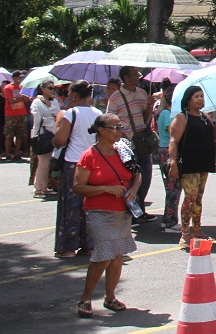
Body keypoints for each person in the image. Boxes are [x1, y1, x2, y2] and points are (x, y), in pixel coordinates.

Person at [73, 114, 141, 318]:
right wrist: (105, 188)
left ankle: (110, 297)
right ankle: (85, 298)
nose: (119, 131)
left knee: (117, 255)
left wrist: (134, 189)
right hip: (99, 211)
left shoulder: (123, 149)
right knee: (104, 254)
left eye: (120, 127)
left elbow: (137, 174)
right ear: (101, 130)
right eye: (115, 127)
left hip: (122, 211)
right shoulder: (89, 156)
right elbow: (78, 186)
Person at [53, 81, 102, 258]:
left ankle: (68, 247)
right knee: (89, 205)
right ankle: (89, 244)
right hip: (93, 162)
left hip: (73, 162)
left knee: (71, 206)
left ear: (74, 95)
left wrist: (57, 128)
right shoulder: (98, 114)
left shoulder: (70, 113)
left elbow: (59, 140)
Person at [167, 86, 216, 249]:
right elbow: (173, 141)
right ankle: (184, 232)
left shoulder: (205, 116)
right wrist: (172, 162)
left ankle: (197, 229)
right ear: (188, 100)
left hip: (203, 162)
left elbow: (213, 137)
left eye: (202, 96)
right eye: (197, 96)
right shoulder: (182, 117)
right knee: (190, 196)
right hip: (189, 163)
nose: (200, 99)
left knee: (198, 198)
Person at [106, 66, 154, 219]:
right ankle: (130, 211)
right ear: (126, 77)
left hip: (142, 142)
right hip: (126, 144)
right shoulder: (115, 97)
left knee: (145, 177)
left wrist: (149, 106)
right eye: (134, 74)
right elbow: (109, 120)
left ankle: (139, 209)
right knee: (130, 179)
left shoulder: (142, 94)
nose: (138, 77)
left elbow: (145, 119)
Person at [155, 83, 181, 233]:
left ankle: (169, 218)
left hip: (171, 149)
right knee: (172, 186)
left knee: (175, 187)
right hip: (166, 150)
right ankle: (169, 221)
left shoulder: (173, 113)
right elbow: (172, 132)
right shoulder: (166, 113)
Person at [30, 80, 61, 198]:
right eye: (50, 88)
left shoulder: (54, 102)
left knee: (49, 163)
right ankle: (38, 188)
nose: (52, 91)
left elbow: (59, 115)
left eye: (54, 89)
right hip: (42, 135)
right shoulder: (37, 102)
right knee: (43, 163)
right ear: (42, 89)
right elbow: (37, 120)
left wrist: (50, 108)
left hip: (54, 135)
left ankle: (44, 187)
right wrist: (50, 119)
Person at [2, 70, 29, 161]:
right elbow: (11, 100)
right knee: (9, 135)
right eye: (19, 78)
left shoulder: (23, 87)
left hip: (21, 113)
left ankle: (17, 153)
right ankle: (8, 154)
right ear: (14, 78)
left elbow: (26, 99)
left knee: (20, 134)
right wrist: (21, 97)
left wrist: (21, 97)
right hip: (10, 115)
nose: (20, 80)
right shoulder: (8, 88)